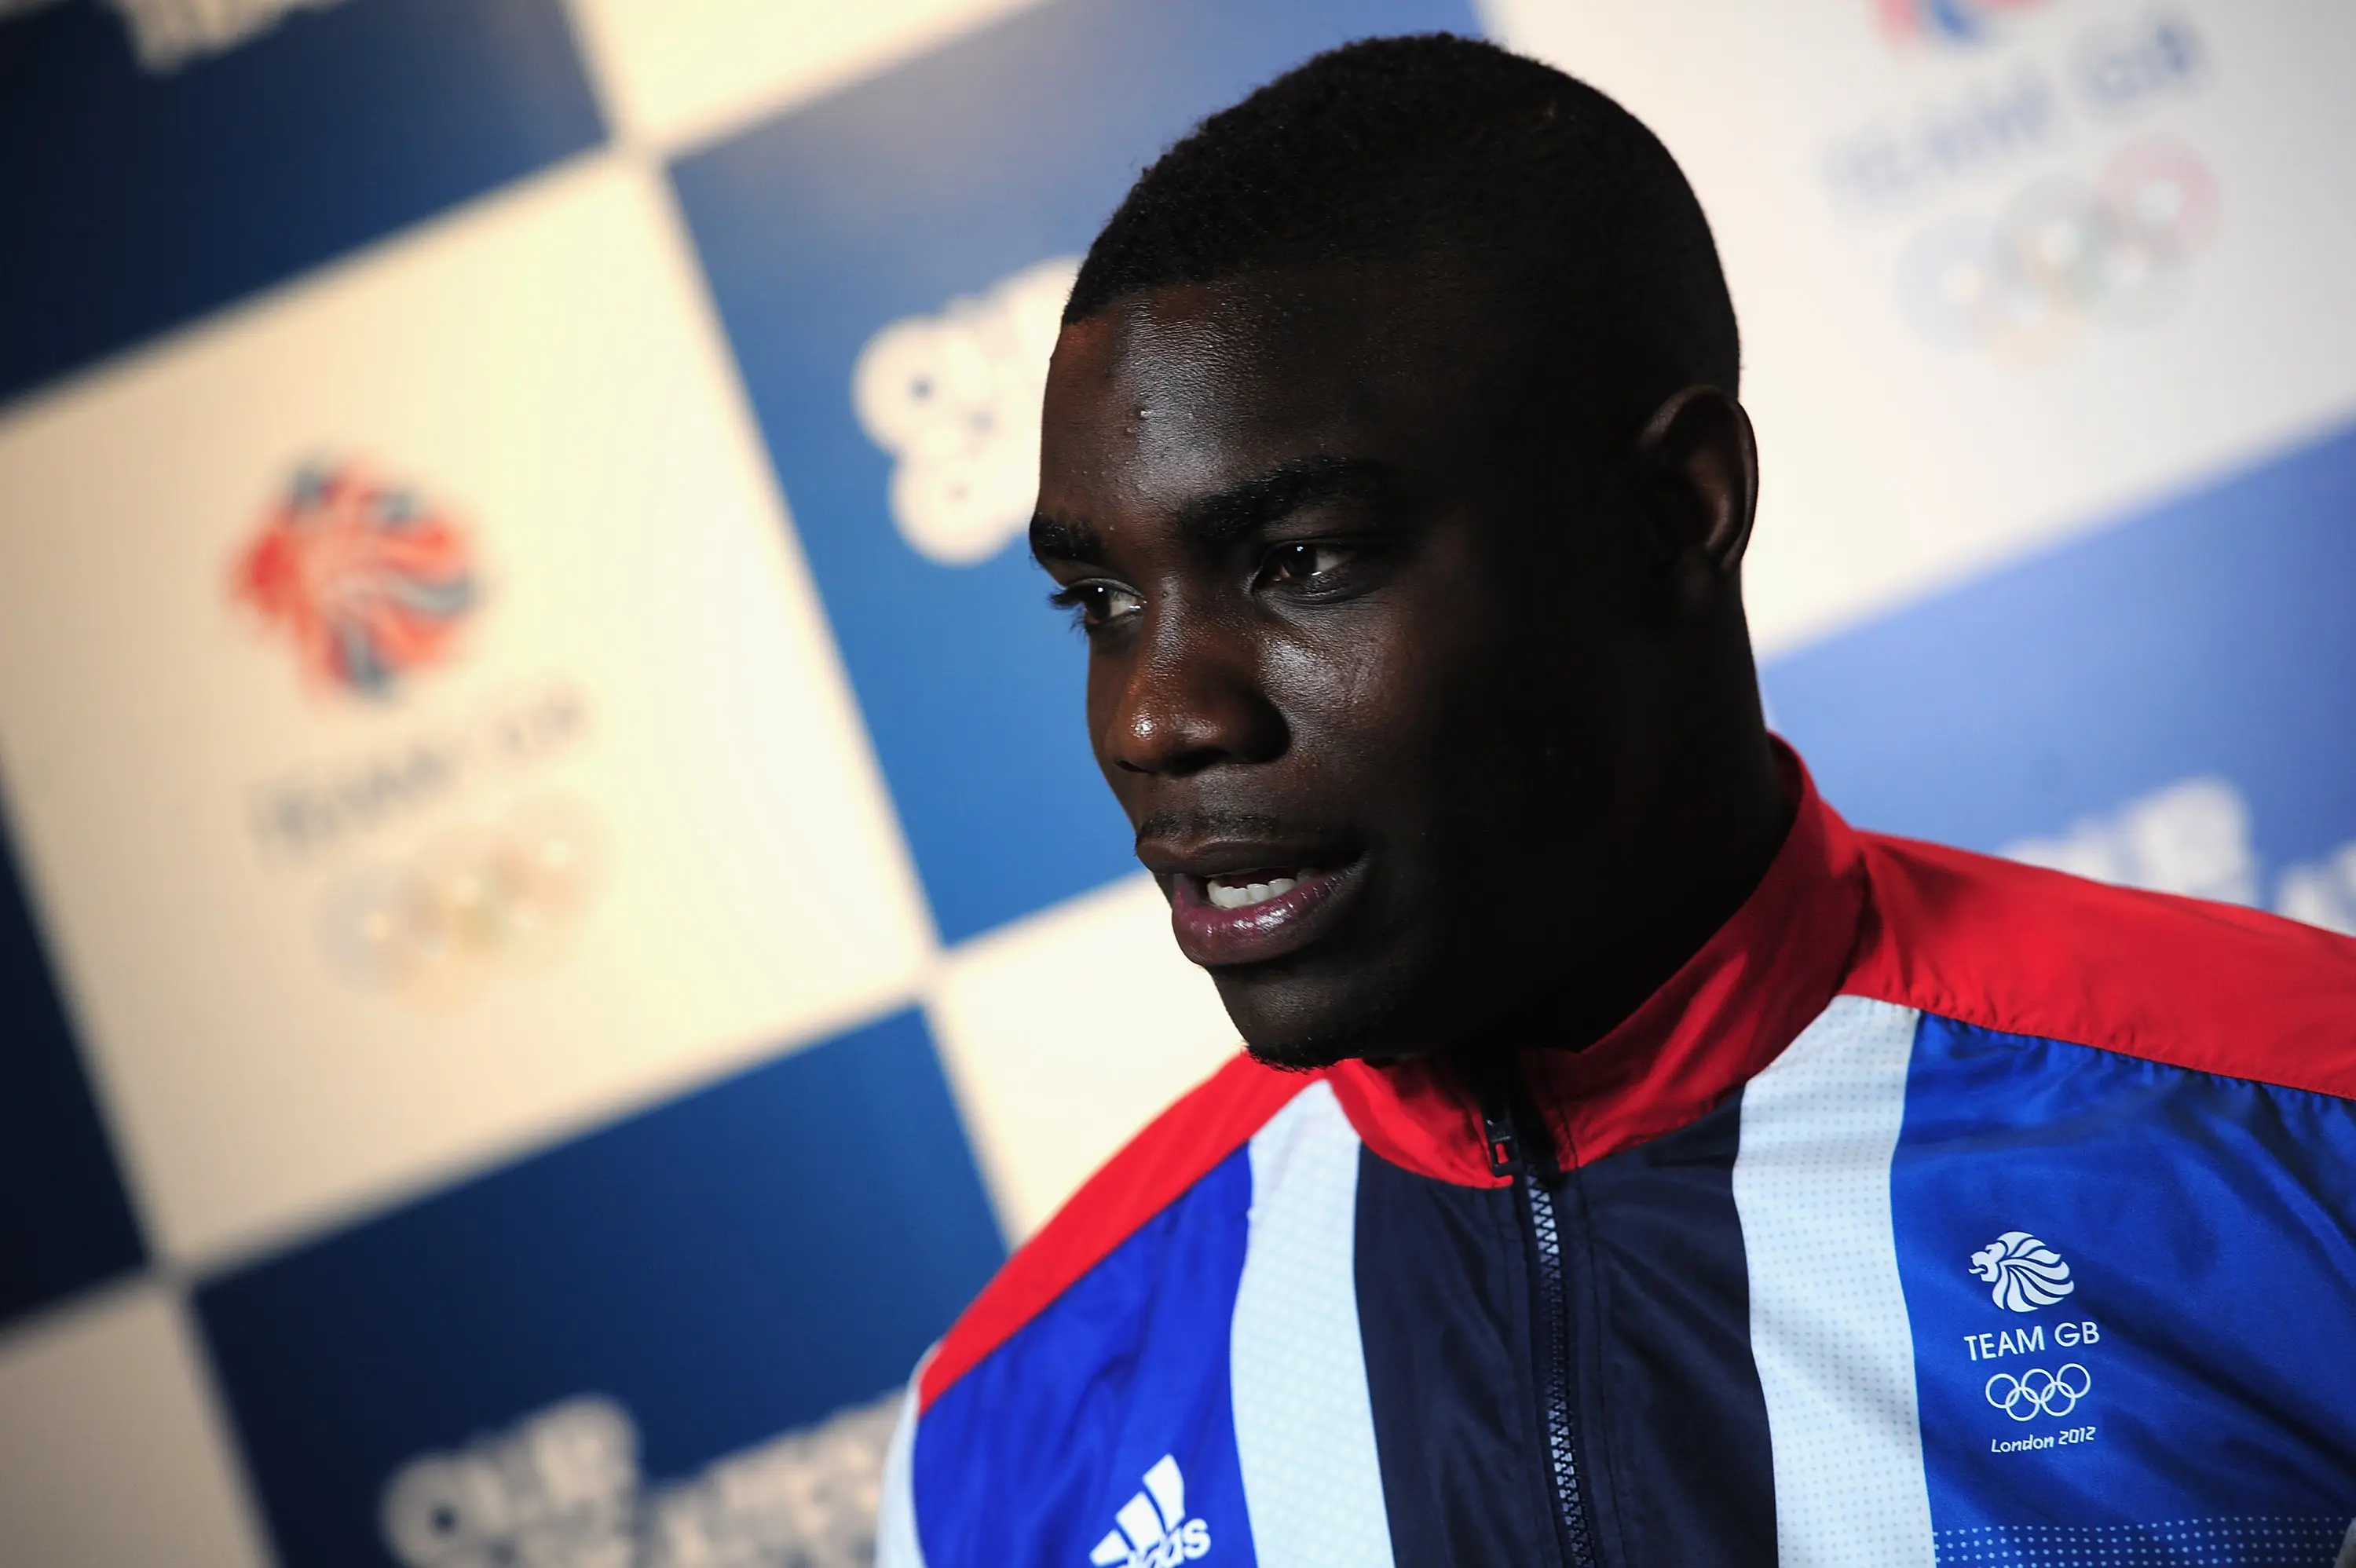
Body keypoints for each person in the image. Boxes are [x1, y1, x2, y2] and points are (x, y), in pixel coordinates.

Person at [876, 33, 2356, 1568]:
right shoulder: (1002, 1440)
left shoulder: (2308, 1138)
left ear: (1676, 512)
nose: (1156, 711)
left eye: (1303, 559)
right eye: (1100, 599)